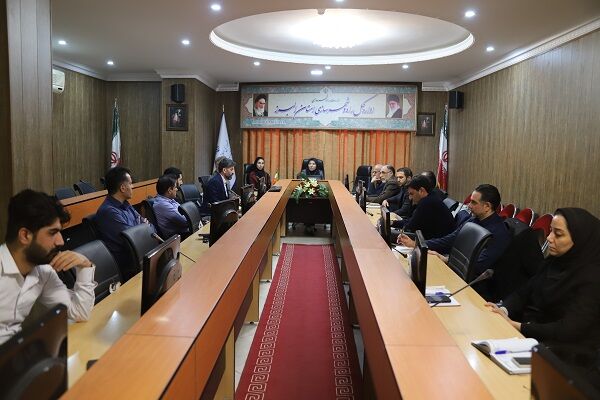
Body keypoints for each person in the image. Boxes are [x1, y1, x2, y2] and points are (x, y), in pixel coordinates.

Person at [486, 208, 600, 373]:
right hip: (534, 339)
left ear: (580, 239)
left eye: (558, 234)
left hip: (568, 356)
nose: (549, 238)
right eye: (551, 231)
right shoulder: (555, 261)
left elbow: (568, 330)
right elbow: (525, 291)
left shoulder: (592, 278)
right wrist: (503, 309)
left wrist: (518, 326)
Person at [0, 190, 96, 345]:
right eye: (53, 233)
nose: (61, 242)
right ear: (25, 235)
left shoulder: (43, 272)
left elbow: (79, 313)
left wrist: (85, 265)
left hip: (15, 353)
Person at [399, 184, 511, 278]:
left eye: (473, 202)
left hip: (474, 284)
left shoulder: (499, 233)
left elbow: (479, 266)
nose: (469, 206)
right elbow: (449, 240)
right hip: (454, 270)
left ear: (487, 206)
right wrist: (417, 244)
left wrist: (446, 260)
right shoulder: (473, 220)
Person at [95, 167, 153, 281]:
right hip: (128, 265)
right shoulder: (109, 212)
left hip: (138, 256)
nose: (133, 186)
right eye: (130, 183)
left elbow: (149, 229)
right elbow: (134, 239)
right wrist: (142, 226)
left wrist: (142, 227)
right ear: (122, 188)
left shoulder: (125, 204)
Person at [392, 175, 455, 239]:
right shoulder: (432, 196)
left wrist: (392, 224)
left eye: (411, 194)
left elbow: (410, 227)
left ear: (421, 190)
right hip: (436, 237)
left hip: (434, 241)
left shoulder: (427, 203)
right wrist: (393, 223)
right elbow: (412, 221)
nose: (410, 198)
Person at [153, 175, 190, 239]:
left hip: (183, 232)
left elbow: (183, 210)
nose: (177, 189)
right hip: (178, 237)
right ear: (169, 190)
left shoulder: (168, 199)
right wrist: (190, 215)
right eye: (175, 187)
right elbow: (186, 221)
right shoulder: (163, 204)